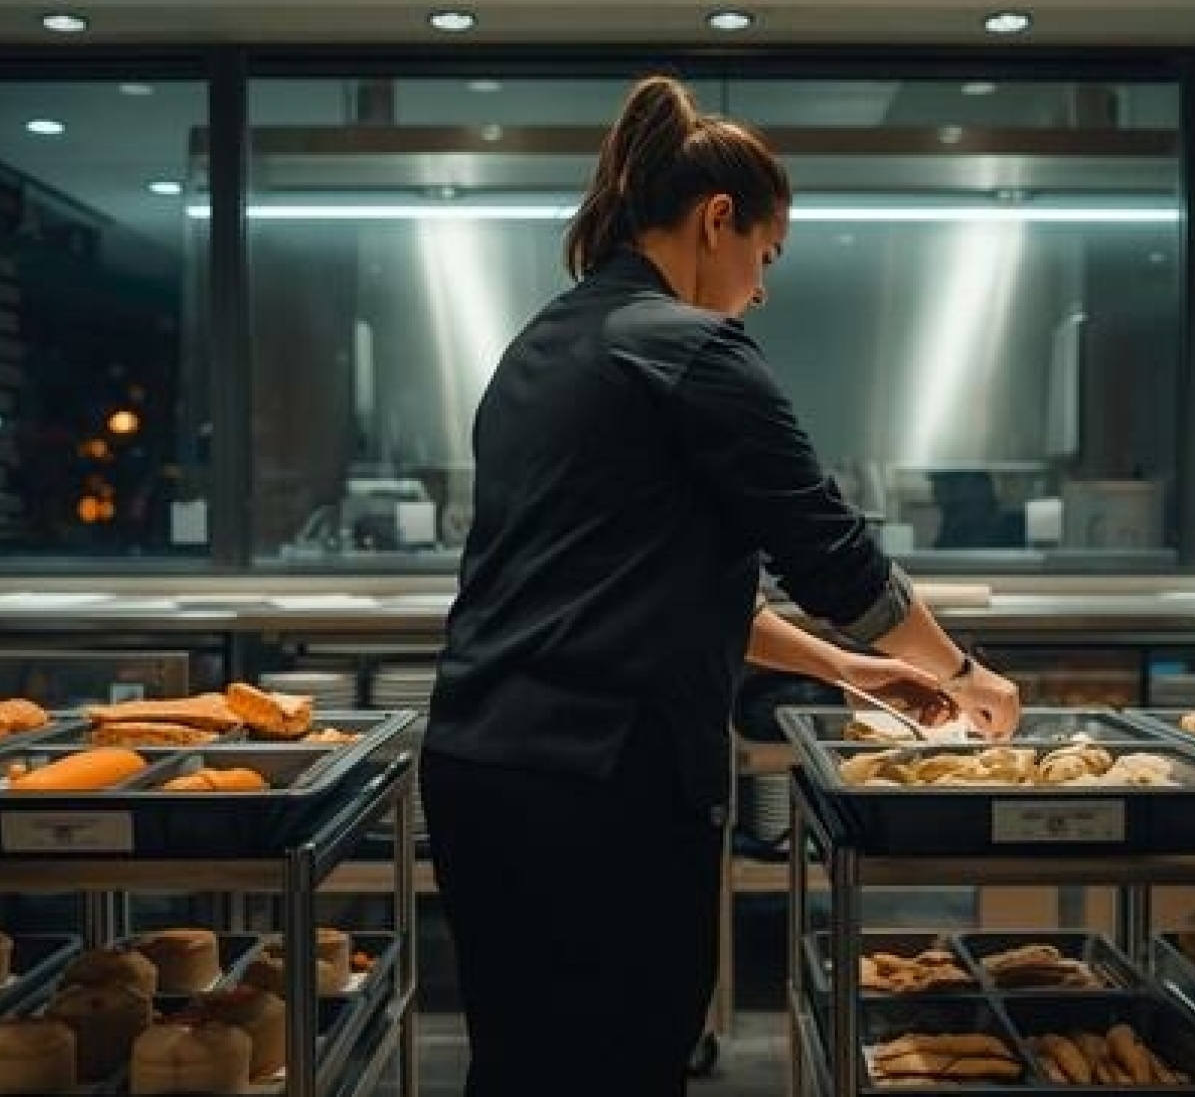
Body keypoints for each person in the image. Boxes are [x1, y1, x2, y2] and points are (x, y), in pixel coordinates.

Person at [421, 75, 1022, 1096]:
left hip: (485, 771)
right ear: (716, 222)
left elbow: (642, 583)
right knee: (624, 1057)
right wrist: (964, 672)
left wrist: (845, 668)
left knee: (523, 1058)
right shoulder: (692, 351)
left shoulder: (543, 344)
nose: (762, 286)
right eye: (766, 254)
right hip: (604, 782)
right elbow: (833, 557)